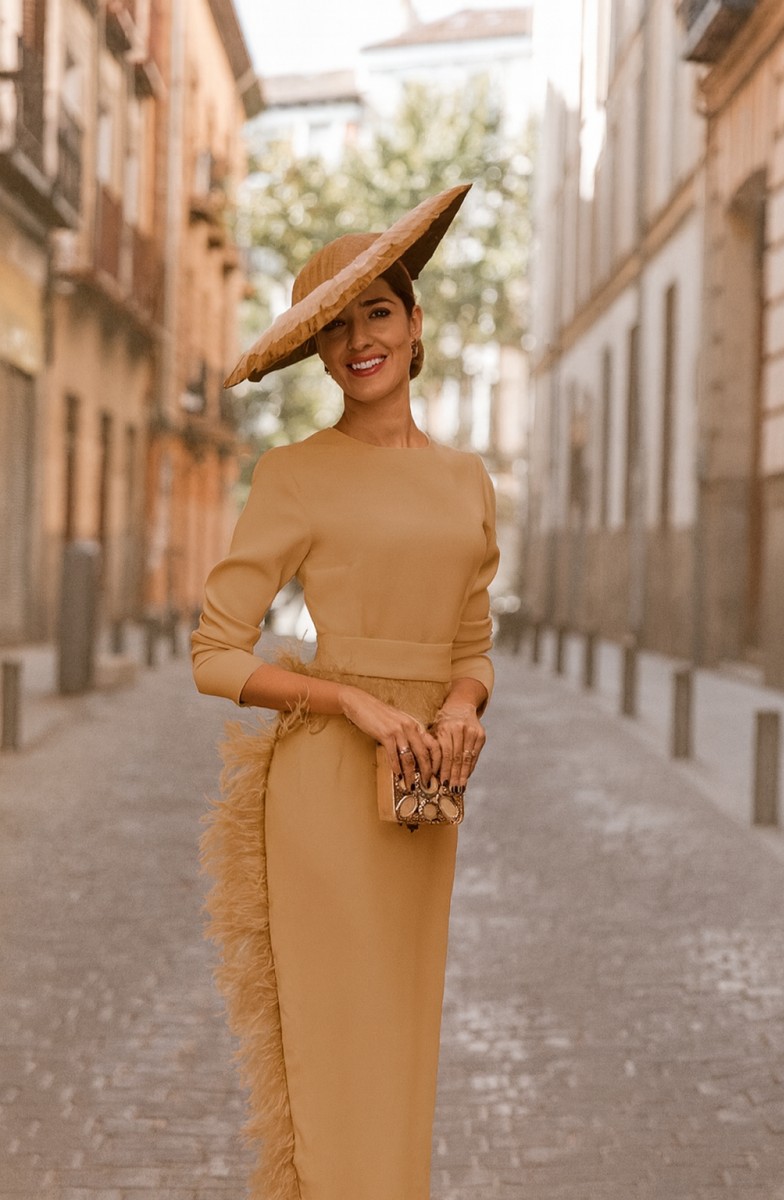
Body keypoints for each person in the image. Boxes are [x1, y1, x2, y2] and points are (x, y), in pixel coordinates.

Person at [191, 184, 500, 1200]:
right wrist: (346, 702)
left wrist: (458, 708)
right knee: (336, 1052)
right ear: (319, 356)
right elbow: (215, 652)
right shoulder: (293, 474)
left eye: (377, 311)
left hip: (423, 801)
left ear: (414, 326)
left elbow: (471, 641)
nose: (357, 340)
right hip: (325, 794)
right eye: (333, 327)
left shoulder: (466, 481)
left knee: (401, 1049)